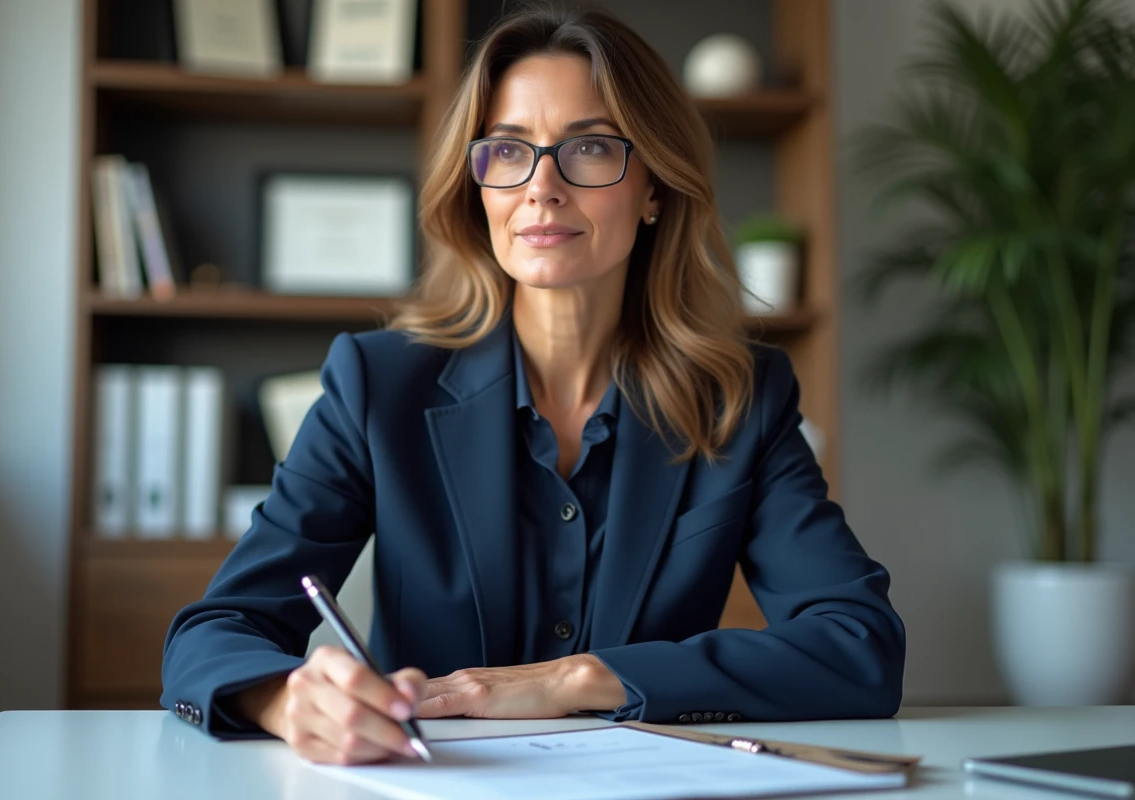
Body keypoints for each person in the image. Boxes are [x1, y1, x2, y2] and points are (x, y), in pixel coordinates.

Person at [160, 2, 905, 766]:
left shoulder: (741, 398)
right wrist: (289, 702)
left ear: (654, 188)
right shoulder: (377, 386)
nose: (541, 187)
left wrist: (579, 679)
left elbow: (859, 645)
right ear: (478, 186)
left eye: (590, 147)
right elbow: (212, 636)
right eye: (509, 151)